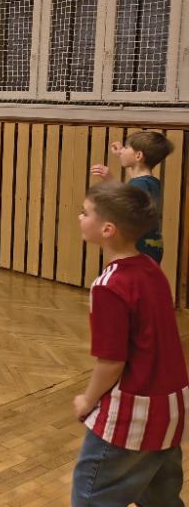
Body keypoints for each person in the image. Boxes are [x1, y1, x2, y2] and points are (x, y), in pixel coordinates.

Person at [71, 181, 188, 507]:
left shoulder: (109, 286)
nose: (80, 217)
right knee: (161, 499)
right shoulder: (151, 268)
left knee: (90, 498)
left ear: (107, 229)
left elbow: (111, 362)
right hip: (172, 408)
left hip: (134, 415)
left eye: (85, 212)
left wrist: (87, 400)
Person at [90, 130, 174, 264]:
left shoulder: (141, 184)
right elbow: (135, 173)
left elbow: (125, 207)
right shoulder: (148, 181)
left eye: (126, 147)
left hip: (141, 250)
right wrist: (120, 154)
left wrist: (110, 180)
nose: (123, 150)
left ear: (138, 156)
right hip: (150, 248)